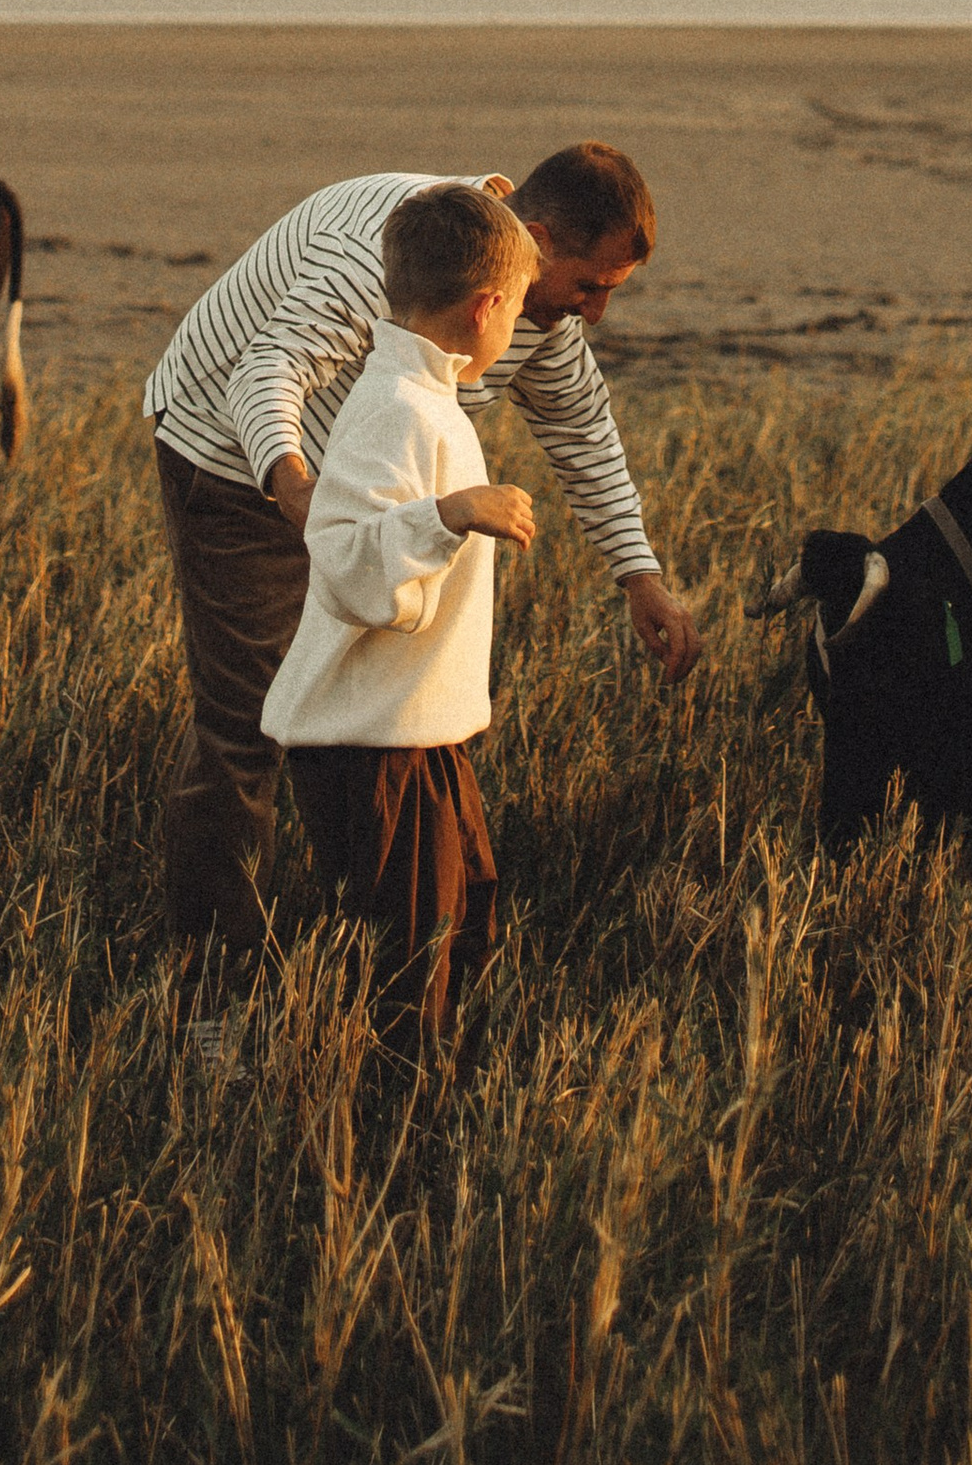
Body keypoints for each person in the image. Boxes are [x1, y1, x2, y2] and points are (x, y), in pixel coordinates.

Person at [144, 141, 698, 958]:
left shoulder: (531, 303)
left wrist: (639, 576)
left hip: (361, 477)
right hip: (234, 454)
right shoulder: (388, 249)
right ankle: (207, 973)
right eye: (591, 286)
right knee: (248, 719)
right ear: (537, 241)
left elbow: (583, 431)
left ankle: (349, 918)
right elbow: (265, 371)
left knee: (356, 701)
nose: (596, 313)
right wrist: (307, 505)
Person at [261, 182, 538, 1050]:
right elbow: (342, 560)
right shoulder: (396, 410)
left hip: (418, 732)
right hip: (372, 749)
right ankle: (384, 1138)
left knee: (464, 926)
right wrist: (448, 514)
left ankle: (428, 1109)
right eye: (520, 307)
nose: (518, 326)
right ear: (488, 307)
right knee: (405, 971)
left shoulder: (425, 398)